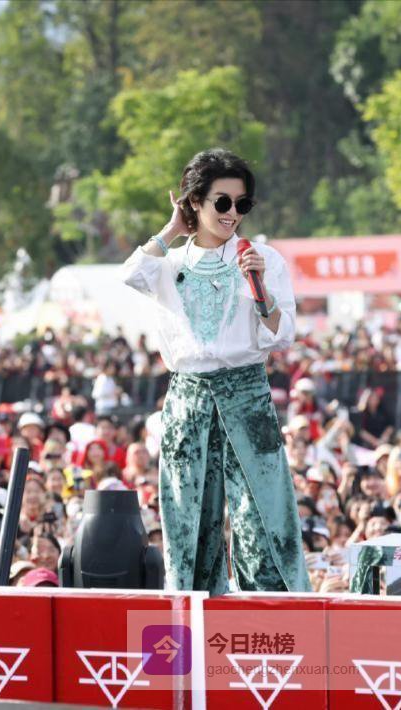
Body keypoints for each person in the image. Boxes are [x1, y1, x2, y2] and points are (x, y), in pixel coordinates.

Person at [121, 147, 311, 595]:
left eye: (242, 204)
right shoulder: (170, 262)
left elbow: (281, 334)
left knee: (262, 510)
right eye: (222, 202)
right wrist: (172, 228)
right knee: (187, 511)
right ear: (195, 201)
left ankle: (275, 611)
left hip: (246, 392)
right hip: (187, 395)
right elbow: (132, 274)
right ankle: (192, 607)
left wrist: (259, 287)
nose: (233, 213)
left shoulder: (262, 257)